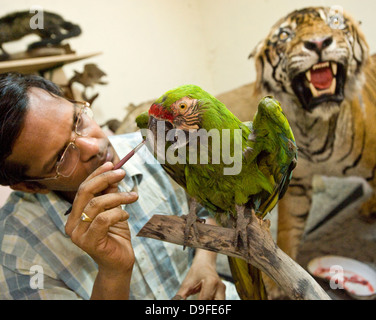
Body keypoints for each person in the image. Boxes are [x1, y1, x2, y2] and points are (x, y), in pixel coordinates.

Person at [0, 72, 238, 300]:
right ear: (29, 186)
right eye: (62, 156)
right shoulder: (15, 253)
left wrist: (204, 263)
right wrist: (113, 273)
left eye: (77, 120)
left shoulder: (157, 149)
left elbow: (211, 211)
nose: (93, 146)